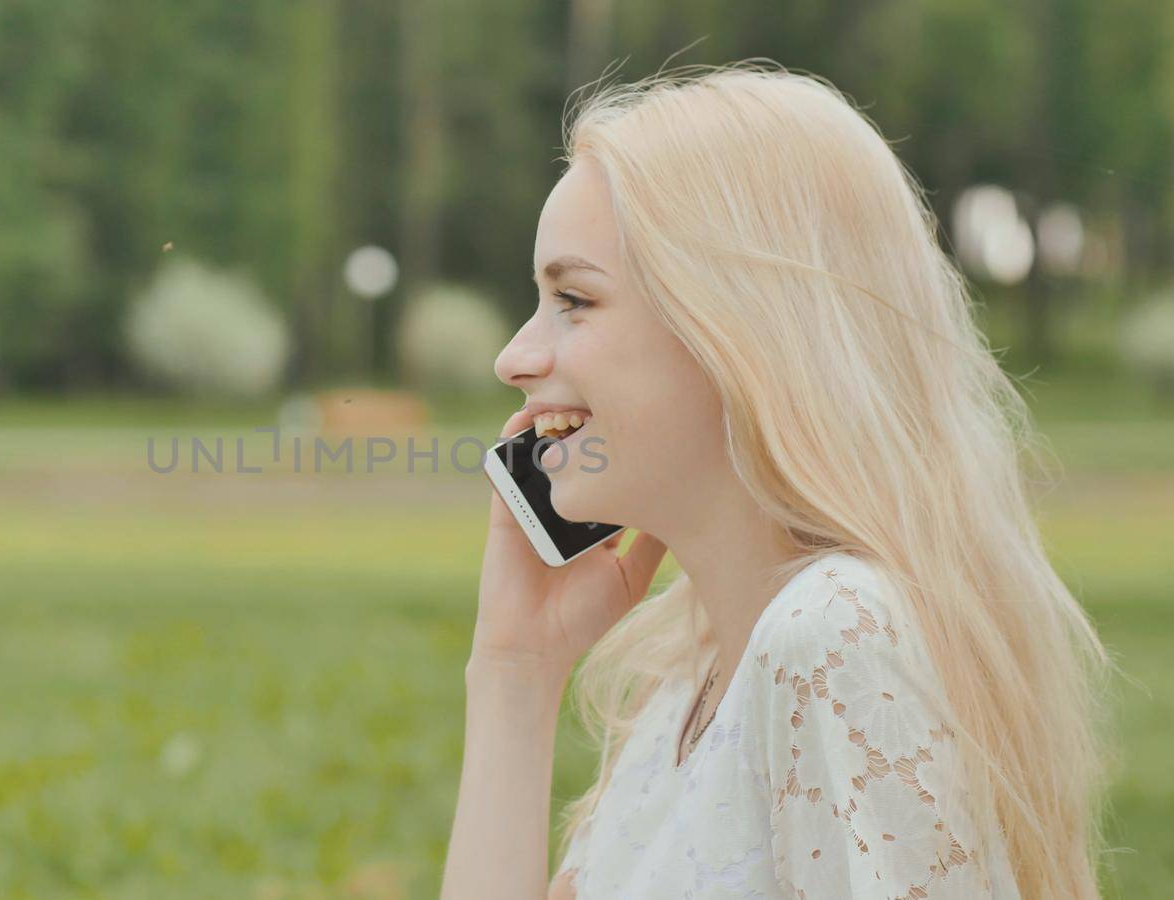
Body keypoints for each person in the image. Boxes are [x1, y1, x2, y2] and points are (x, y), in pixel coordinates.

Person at [439, 62, 1113, 900]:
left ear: (737, 324)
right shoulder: (691, 681)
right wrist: (515, 672)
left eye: (573, 299)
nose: (516, 358)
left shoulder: (833, 635)